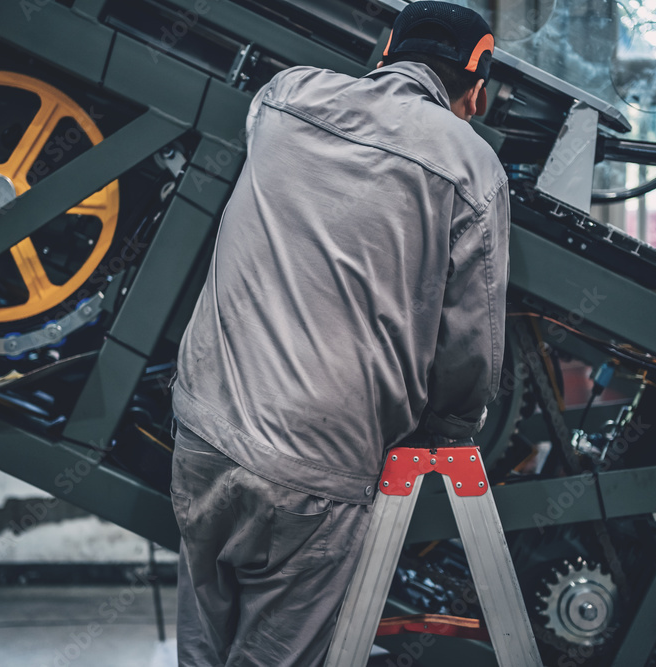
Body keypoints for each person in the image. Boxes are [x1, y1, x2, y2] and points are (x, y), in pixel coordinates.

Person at [169, 2, 510, 664]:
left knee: (202, 643)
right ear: (477, 84)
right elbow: (470, 351)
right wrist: (447, 430)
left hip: (204, 434)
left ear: (386, 49)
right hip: (316, 469)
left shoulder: (286, 95)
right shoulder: (473, 167)